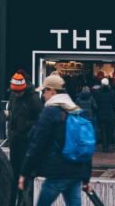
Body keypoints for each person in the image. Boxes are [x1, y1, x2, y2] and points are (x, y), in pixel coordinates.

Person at [18, 74, 93, 206]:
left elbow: (36, 144)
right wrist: (86, 178)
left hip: (58, 172)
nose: (43, 95)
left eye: (44, 91)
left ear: (52, 91)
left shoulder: (50, 112)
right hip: (76, 172)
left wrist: (24, 172)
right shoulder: (75, 110)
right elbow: (84, 145)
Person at [7, 70, 43, 205]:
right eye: (14, 92)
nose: (16, 94)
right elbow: (12, 115)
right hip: (15, 142)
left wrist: (26, 127)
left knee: (26, 176)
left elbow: (41, 120)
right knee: (15, 175)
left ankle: (25, 202)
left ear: (23, 89)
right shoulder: (13, 96)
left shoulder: (33, 99)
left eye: (18, 92)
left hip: (27, 143)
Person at [92, 78, 115, 153]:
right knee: (110, 130)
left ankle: (104, 146)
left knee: (103, 131)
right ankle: (108, 145)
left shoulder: (97, 93)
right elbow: (114, 104)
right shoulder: (112, 92)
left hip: (101, 113)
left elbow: (96, 103)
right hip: (110, 113)